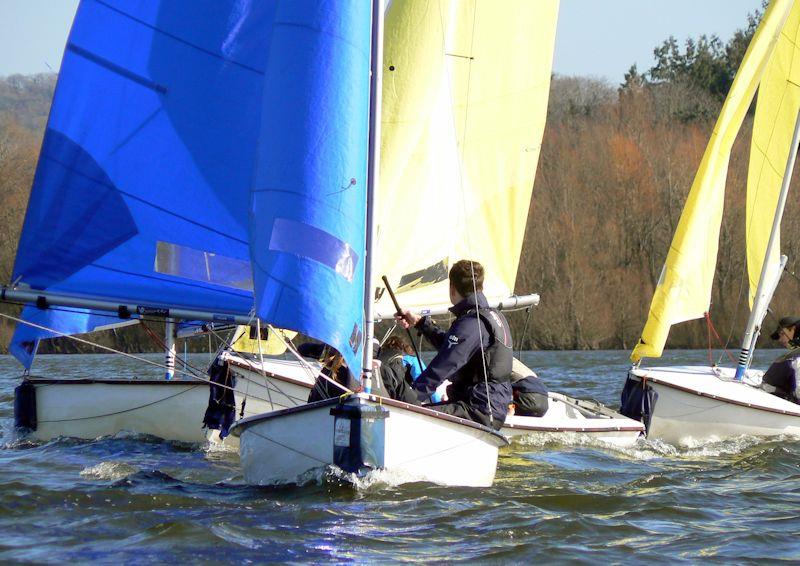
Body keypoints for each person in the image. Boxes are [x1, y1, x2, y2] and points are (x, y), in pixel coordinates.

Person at [395, 259, 513, 430]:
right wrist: (421, 323)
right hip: (490, 406)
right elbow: (454, 348)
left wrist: (406, 401)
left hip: (478, 410)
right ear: (480, 287)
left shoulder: (472, 324)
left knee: (410, 417)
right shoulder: (493, 316)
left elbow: (443, 366)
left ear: (452, 288)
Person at [761, 316, 800, 403]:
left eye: (782, 334)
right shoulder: (791, 358)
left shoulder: (795, 360)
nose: (780, 339)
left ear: (793, 329)